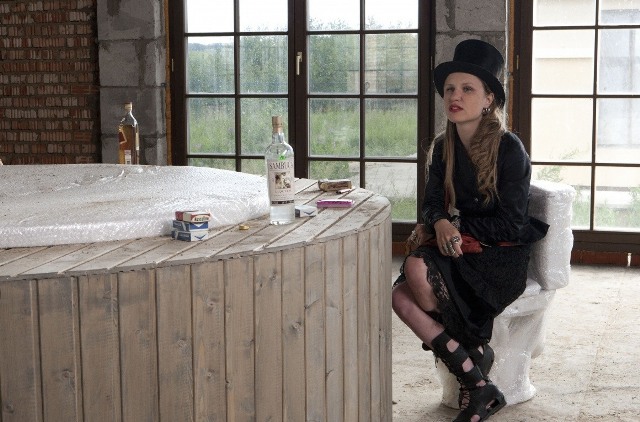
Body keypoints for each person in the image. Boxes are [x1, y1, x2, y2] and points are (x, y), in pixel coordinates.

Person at [391, 39, 549, 422]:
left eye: (467, 89)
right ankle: (477, 380)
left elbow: (511, 223)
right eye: (450, 89)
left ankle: (475, 362)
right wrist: (440, 221)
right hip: (459, 246)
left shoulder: (509, 149)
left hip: (499, 257)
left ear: (488, 99)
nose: (455, 96)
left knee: (414, 270)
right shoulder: (444, 148)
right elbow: (431, 204)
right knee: (399, 297)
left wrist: (454, 223)